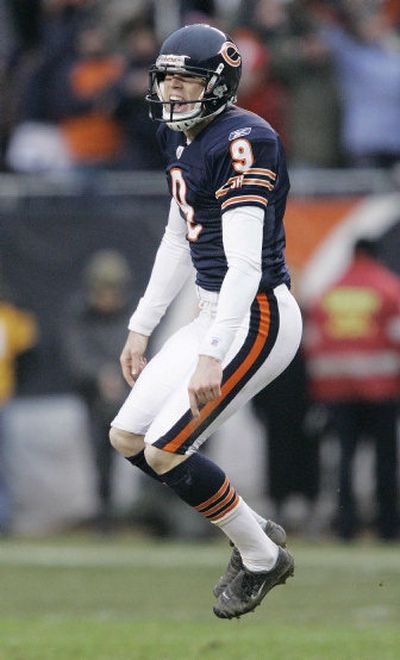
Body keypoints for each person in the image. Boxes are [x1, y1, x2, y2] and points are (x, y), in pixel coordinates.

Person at [109, 24, 302, 619]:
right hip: (212, 309)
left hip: (256, 315)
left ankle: (263, 556)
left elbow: (244, 266)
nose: (171, 90)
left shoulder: (246, 140)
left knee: (167, 451)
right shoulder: (181, 136)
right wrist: (141, 324)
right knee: (128, 439)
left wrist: (211, 351)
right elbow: (178, 236)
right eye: (166, 77)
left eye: (186, 79)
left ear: (219, 85)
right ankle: (249, 527)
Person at [304, 238, 400, 540]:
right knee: (385, 459)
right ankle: (388, 526)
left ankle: (346, 525)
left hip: (336, 390)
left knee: (344, 458)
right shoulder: (388, 289)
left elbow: (312, 343)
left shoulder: (329, 291)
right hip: (382, 390)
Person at [62, 250, 132, 531]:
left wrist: (124, 377)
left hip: (131, 397)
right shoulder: (79, 317)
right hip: (96, 402)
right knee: (100, 459)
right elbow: (77, 358)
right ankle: (105, 514)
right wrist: (101, 375)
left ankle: (161, 512)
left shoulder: (133, 316)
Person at [0, 278, 38, 534]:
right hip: (3, 398)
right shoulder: (10, 319)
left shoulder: (10, 319)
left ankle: (3, 518)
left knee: (4, 465)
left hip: (3, 399)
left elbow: (27, 354)